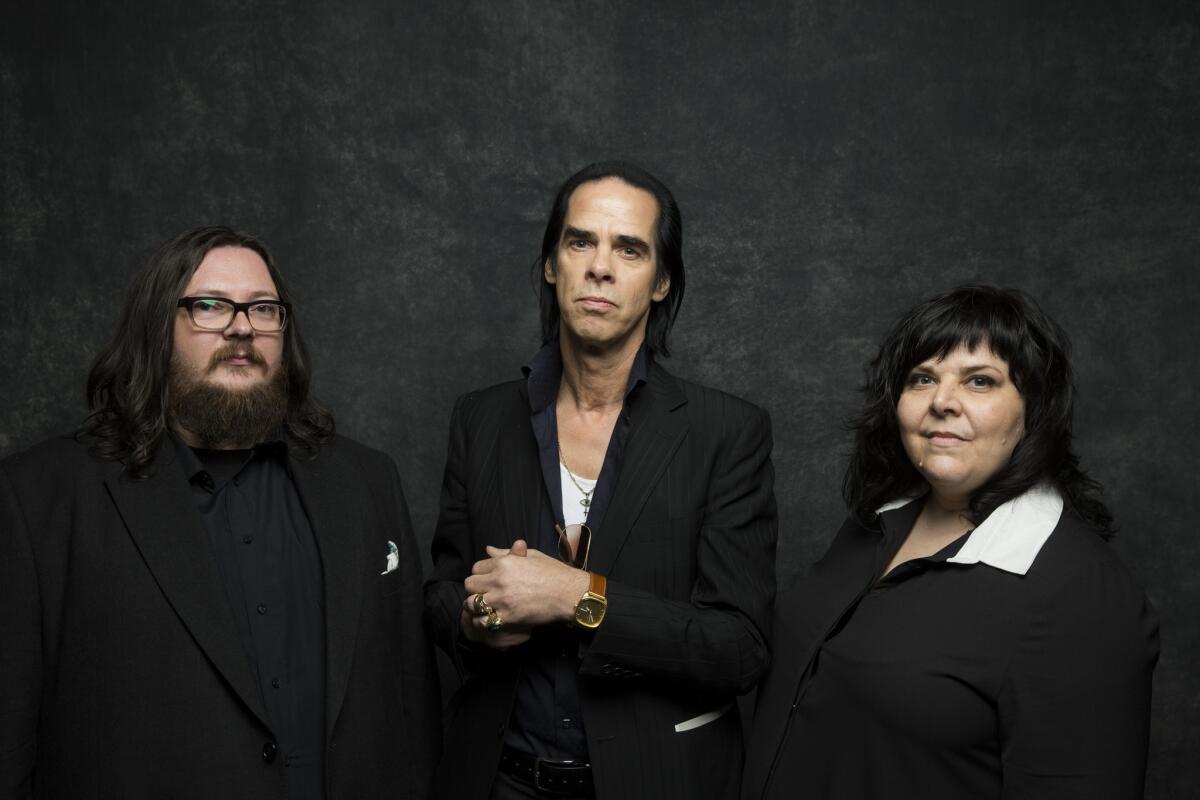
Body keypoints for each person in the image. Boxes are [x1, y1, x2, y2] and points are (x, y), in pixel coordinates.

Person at [0, 226, 438, 799]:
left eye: (262, 308)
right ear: (158, 327)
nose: (241, 326)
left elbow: (412, 711)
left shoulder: (367, 482)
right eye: (209, 306)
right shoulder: (38, 499)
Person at [425, 161, 778, 800]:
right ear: (551, 264)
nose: (600, 266)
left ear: (662, 281)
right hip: (497, 780)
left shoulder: (727, 432)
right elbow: (444, 595)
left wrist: (577, 597)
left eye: (630, 249)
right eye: (580, 241)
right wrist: (477, 619)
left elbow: (740, 648)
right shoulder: (479, 419)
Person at [742, 285, 1159, 799]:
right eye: (922, 378)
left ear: (1034, 409)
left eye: (980, 381)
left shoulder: (1082, 596)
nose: (942, 402)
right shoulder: (876, 523)